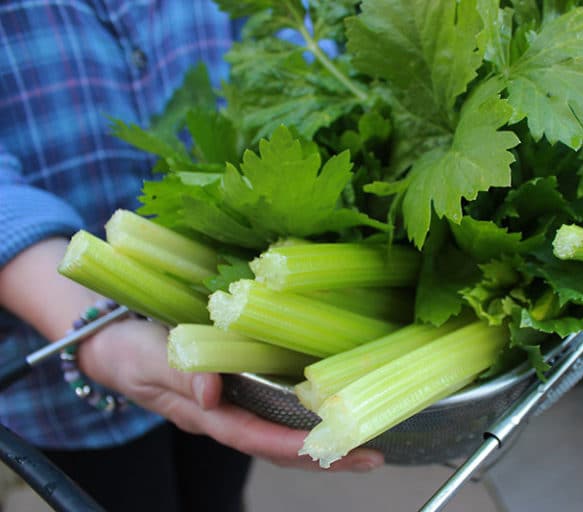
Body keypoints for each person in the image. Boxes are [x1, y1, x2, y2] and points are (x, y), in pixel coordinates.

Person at [0, 2, 384, 511]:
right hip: (62, 375)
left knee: (218, 492)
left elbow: (274, 26)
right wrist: (95, 331)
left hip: (235, 346)